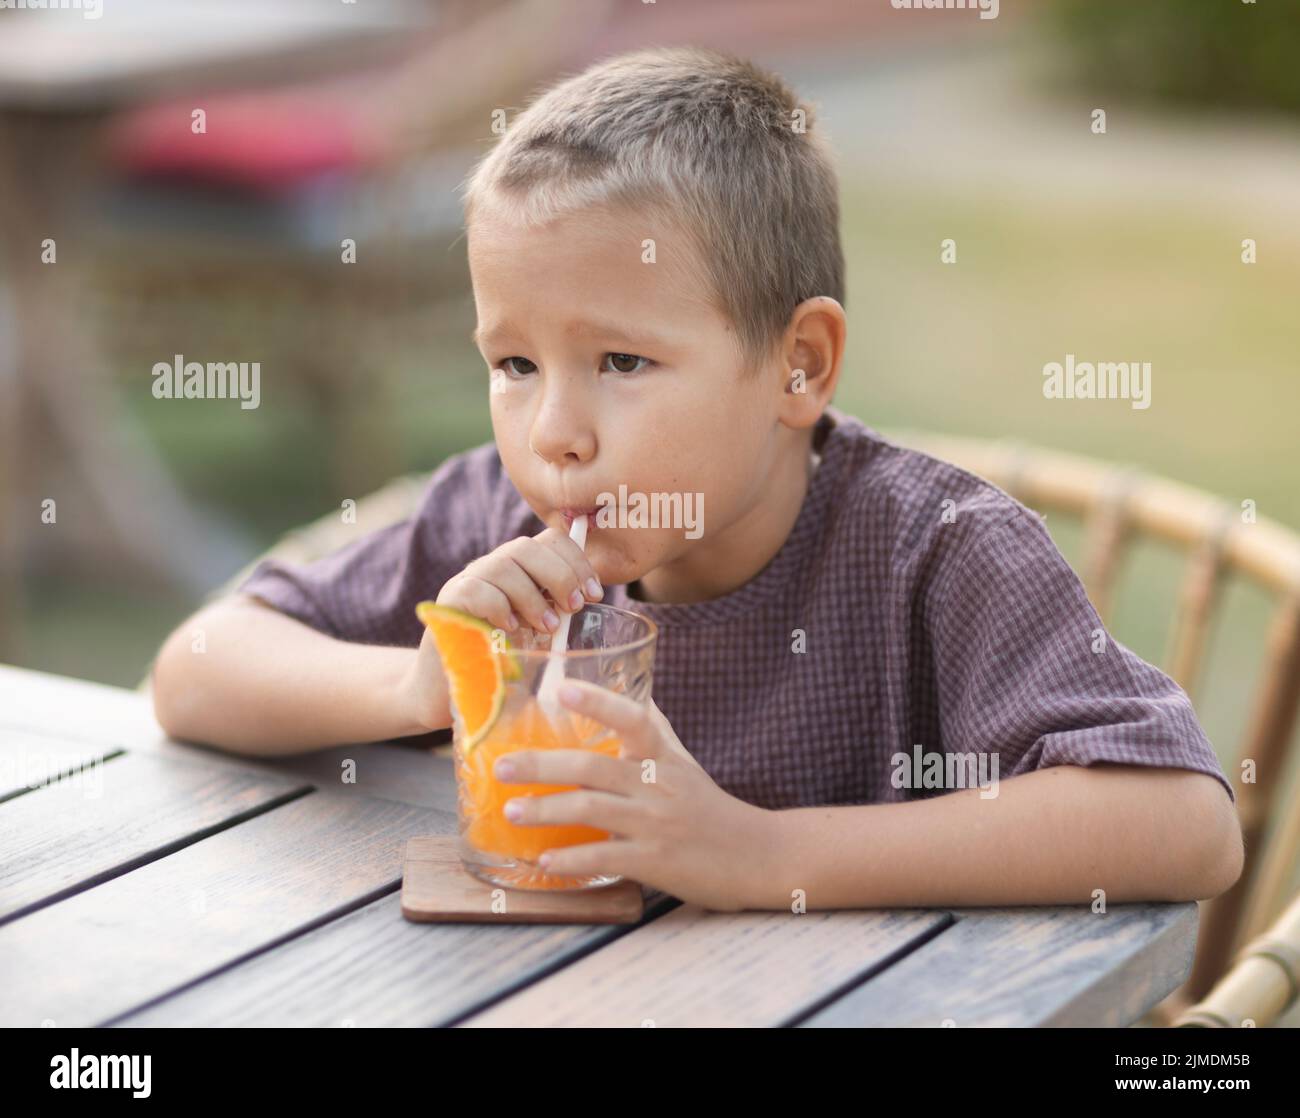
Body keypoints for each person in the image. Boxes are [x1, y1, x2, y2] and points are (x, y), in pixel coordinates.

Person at [151, 46, 1241, 913]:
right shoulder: (494, 513)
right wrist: (416, 688)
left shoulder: (934, 551)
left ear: (798, 362)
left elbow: (1186, 824)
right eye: (513, 364)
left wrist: (760, 851)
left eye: (621, 361)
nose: (554, 433)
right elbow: (194, 666)